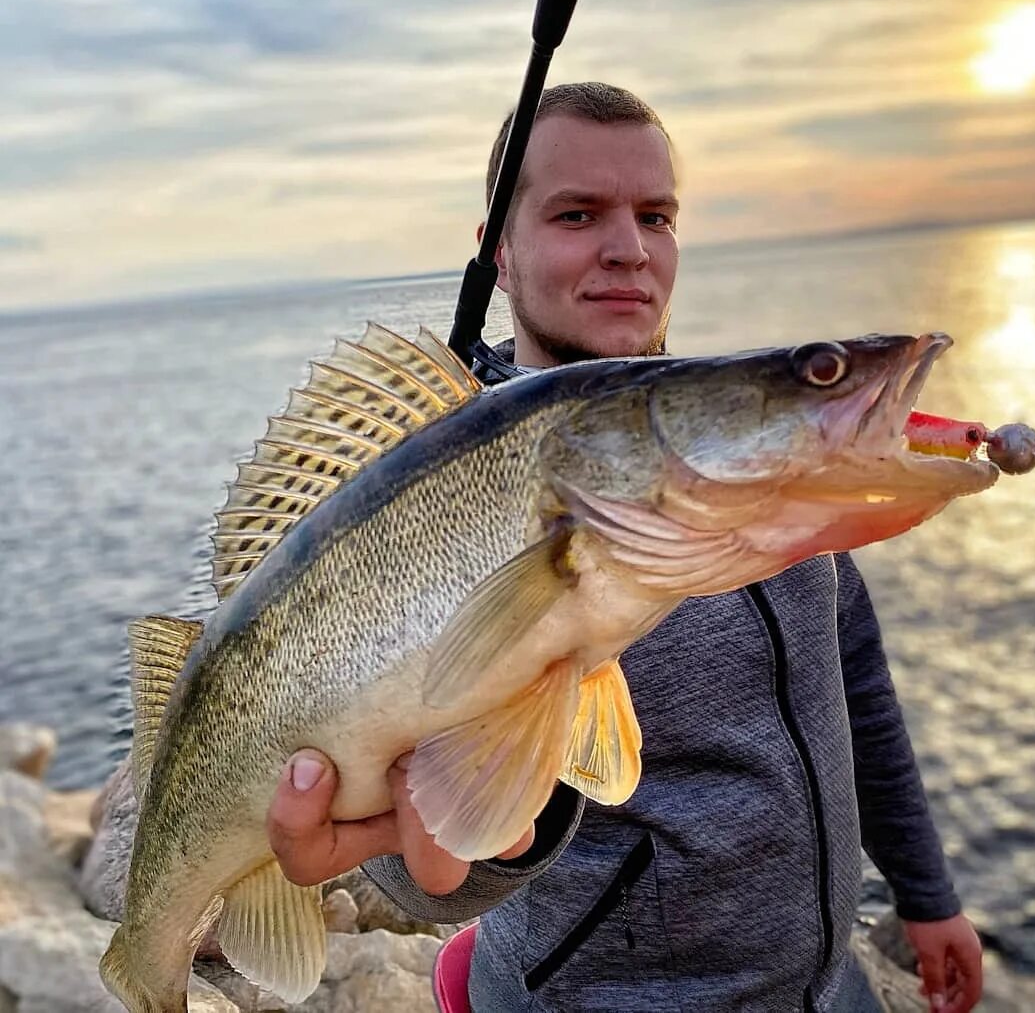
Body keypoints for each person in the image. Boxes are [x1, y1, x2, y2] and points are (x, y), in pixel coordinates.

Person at [265, 83, 983, 1013]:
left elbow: (856, 684)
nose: (629, 248)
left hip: (822, 983)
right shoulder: (418, 500)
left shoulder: (760, 451)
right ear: (500, 252)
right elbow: (416, 857)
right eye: (577, 214)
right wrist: (504, 841)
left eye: (657, 215)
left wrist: (927, 896)